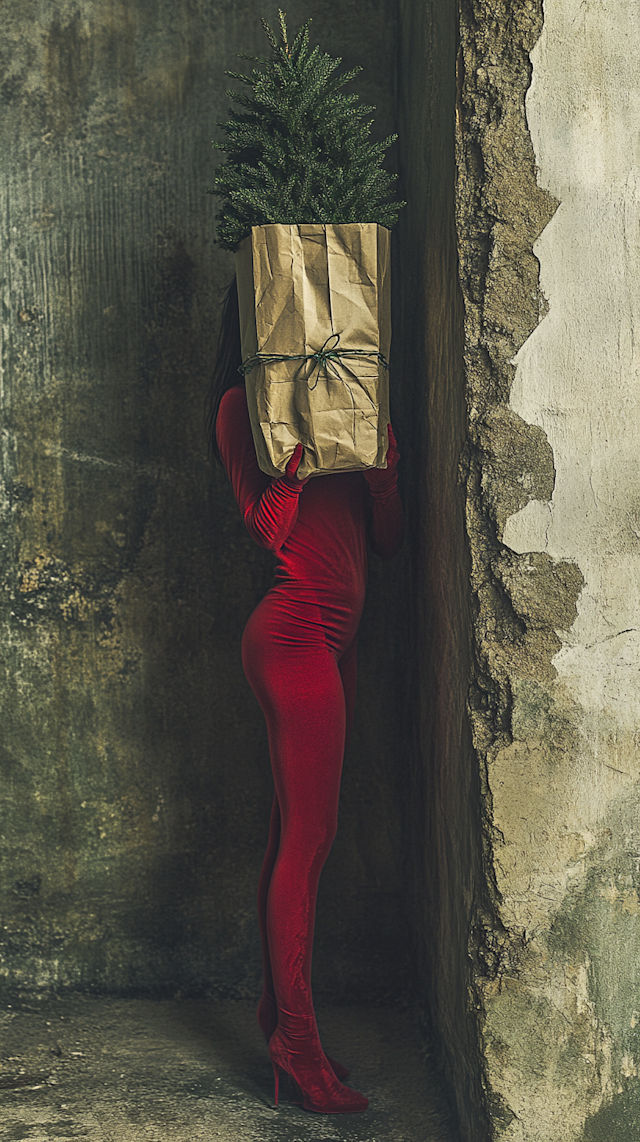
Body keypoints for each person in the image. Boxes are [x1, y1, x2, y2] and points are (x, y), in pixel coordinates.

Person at [208, 280, 404, 1114]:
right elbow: (265, 530)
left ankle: (277, 1014)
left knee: (295, 830)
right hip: (291, 636)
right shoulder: (239, 406)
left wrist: (384, 473)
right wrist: (288, 469)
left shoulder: (349, 397)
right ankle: (296, 1041)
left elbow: (384, 543)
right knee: (311, 838)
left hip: (337, 639)